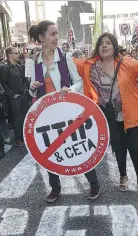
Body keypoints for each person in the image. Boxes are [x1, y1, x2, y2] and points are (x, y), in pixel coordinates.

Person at [77, 32, 138, 196]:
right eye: (101, 43)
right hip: (109, 116)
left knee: (134, 146)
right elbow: (71, 64)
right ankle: (123, 177)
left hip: (131, 112)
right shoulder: (89, 66)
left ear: (114, 46)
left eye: (108, 43)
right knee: (118, 148)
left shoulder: (127, 62)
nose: (104, 46)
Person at [28, 20, 100, 202]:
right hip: (47, 115)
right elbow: (30, 89)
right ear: (42, 38)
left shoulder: (65, 57)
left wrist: (70, 90)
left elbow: (79, 82)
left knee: (79, 146)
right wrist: (34, 87)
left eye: (56, 34)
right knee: (49, 150)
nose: (56, 38)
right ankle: (55, 187)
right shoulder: (34, 62)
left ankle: (94, 184)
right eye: (52, 34)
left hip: (68, 111)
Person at [0, 46, 30, 146]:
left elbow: (24, 80)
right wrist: (12, 95)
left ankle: (24, 136)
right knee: (17, 118)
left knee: (25, 116)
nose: (18, 54)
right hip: (15, 98)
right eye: (16, 53)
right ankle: (18, 138)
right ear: (9, 55)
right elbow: (3, 83)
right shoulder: (5, 67)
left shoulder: (19, 66)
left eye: (17, 53)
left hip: (24, 96)